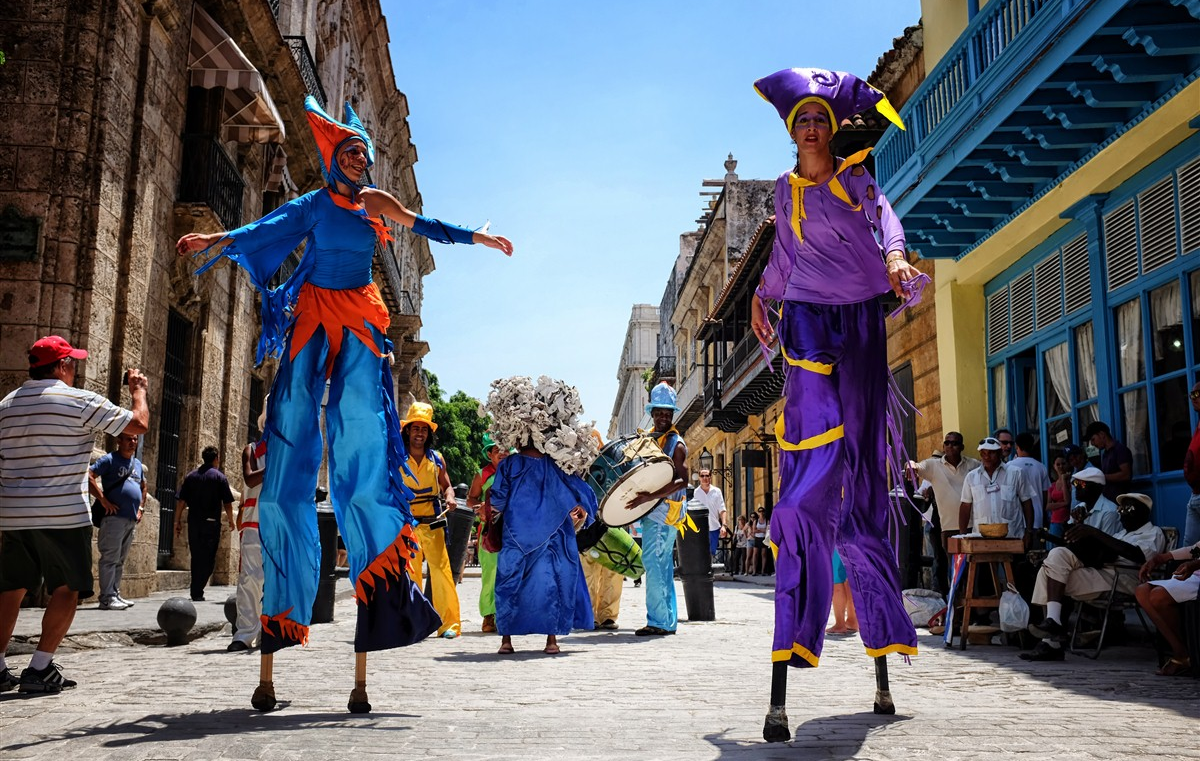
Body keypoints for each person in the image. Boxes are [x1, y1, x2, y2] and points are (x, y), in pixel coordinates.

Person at [175, 97, 509, 659]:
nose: (360, 162)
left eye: (365, 154)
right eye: (352, 152)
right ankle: (284, 596)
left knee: (358, 425)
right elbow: (267, 226)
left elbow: (421, 224)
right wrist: (218, 241)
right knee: (294, 423)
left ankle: (378, 567)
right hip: (312, 311)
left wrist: (475, 237)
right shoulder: (310, 204)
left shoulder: (374, 201)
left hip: (357, 313)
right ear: (335, 159)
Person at [750, 68, 923, 741]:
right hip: (809, 325)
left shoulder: (856, 179)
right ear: (792, 134)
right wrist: (763, 300)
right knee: (802, 495)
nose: (813, 129)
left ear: (832, 127)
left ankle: (880, 658)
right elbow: (783, 257)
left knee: (865, 501)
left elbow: (887, 224)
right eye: (802, 122)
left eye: (820, 119)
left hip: (859, 327)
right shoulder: (784, 191)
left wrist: (899, 261)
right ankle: (788, 647)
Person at [0, 336, 148, 693]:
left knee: (10, 587)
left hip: (13, 513)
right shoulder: (79, 400)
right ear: (63, 366)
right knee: (68, 588)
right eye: (73, 364)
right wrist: (138, 392)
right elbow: (137, 425)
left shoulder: (6, 405)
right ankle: (39, 667)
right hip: (63, 512)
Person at [481, 375, 599, 654]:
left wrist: (491, 517)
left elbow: (497, 499)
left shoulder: (509, 465)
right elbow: (581, 493)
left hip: (516, 537)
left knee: (510, 584)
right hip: (554, 539)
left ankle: (507, 641)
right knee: (553, 584)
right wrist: (584, 512)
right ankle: (551, 641)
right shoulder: (557, 466)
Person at [1021, 493, 1165, 661]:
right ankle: (1053, 623)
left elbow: (1136, 555)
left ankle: (1051, 642)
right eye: (1120, 508)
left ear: (1143, 512)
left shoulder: (1153, 533)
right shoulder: (1121, 534)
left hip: (1126, 579)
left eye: (1127, 508)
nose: (1121, 513)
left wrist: (1095, 533)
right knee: (1054, 560)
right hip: (1104, 574)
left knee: (1051, 573)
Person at [624, 382, 690, 636]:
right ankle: (665, 619)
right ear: (652, 413)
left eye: (667, 413)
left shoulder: (677, 444)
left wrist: (648, 497)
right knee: (659, 564)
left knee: (654, 563)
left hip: (665, 512)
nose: (663, 417)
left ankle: (659, 621)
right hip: (654, 511)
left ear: (672, 415)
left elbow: (682, 481)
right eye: (659, 412)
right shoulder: (652, 440)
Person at [400, 402, 462, 639]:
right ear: (408, 431)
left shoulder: (437, 459)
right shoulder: (397, 458)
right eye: (416, 428)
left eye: (424, 430)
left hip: (433, 521)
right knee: (411, 574)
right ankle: (414, 625)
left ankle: (449, 625)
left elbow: (447, 487)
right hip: (408, 525)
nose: (419, 434)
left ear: (429, 434)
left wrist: (450, 498)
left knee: (441, 572)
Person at [907, 431, 979, 595]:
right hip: (948, 528)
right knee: (951, 568)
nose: (950, 446)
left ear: (962, 447)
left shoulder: (973, 465)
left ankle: (971, 609)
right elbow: (918, 467)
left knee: (972, 570)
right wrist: (911, 464)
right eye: (947, 443)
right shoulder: (934, 466)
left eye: (954, 443)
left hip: (972, 526)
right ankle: (953, 606)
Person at [88, 431, 147, 610]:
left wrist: (141, 508)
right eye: (129, 439)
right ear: (119, 441)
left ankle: (115, 593)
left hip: (130, 519)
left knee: (120, 560)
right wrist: (103, 500)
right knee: (110, 558)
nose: (133, 442)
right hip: (113, 519)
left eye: (135, 439)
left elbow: (143, 486)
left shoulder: (136, 464)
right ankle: (106, 597)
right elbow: (89, 476)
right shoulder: (110, 459)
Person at [175, 446, 236, 602]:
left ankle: (196, 590)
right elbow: (228, 502)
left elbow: (181, 501)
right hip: (211, 523)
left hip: (194, 523)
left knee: (196, 556)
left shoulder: (191, 476)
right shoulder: (220, 478)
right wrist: (231, 520)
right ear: (216, 458)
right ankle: (197, 588)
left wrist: (177, 520)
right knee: (209, 559)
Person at [1135, 537, 1200, 676]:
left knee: (1158, 596)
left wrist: (1195, 564)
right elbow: (1194, 550)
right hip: (1193, 575)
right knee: (1142, 591)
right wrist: (1158, 559)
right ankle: (1180, 651)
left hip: (1197, 577)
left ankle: (1182, 656)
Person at [229, 413, 267, 652]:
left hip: (278, 525)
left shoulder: (290, 452)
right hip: (254, 524)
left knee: (274, 581)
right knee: (249, 580)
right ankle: (244, 633)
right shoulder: (251, 450)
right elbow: (250, 479)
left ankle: (269, 631)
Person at [958, 437, 1036, 545]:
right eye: (983, 453)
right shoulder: (971, 477)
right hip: (981, 539)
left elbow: (1027, 503)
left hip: (1012, 536)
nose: (987, 457)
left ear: (999, 453)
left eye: (991, 453)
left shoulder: (1016, 473)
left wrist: (1029, 531)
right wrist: (963, 535)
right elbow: (965, 507)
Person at [467, 432, 504, 633]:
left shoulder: (516, 472)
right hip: (489, 531)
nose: (501, 454)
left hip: (513, 530)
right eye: (496, 450)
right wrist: (479, 507)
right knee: (490, 573)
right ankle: (489, 615)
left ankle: (509, 613)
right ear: (489, 454)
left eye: (504, 450)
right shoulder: (483, 475)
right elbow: (470, 499)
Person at [1010, 432, 1052, 532]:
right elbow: (1046, 494)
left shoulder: (1009, 466)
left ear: (1016, 446)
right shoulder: (1041, 467)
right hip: (1037, 519)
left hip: (1015, 520)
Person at [1084, 421, 1133, 502]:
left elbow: (1126, 475)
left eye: (1093, 439)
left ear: (1102, 434)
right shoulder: (1105, 455)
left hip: (1120, 501)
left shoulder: (1120, 450)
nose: (1092, 444)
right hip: (1108, 501)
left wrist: (1101, 476)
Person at [1067, 466, 1121, 536]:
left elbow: (1108, 544)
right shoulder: (1079, 507)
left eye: (1082, 484)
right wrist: (1077, 522)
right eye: (1075, 483)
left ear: (1097, 487)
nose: (1077, 487)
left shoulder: (1109, 511)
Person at [693, 468, 727, 562]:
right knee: (701, 552)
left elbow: (722, 509)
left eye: (707, 475)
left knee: (711, 552)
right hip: (699, 529)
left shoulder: (717, 491)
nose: (705, 478)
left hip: (714, 528)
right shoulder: (695, 493)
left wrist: (724, 525)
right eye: (702, 476)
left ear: (710, 477)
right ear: (699, 478)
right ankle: (703, 573)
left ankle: (707, 571)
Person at [1182, 381, 1200, 547]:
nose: (1193, 398)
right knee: (1190, 547)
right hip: (1194, 494)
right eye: (1191, 395)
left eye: (1197, 394)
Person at [826, 551, 858, 635]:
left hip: (835, 540)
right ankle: (852, 620)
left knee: (836, 577)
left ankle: (840, 624)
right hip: (849, 540)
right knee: (848, 576)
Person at [1045, 454, 1072, 544]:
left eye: (1063, 464)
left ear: (1067, 464)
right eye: (1058, 464)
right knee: (1055, 549)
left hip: (1068, 520)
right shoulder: (1052, 485)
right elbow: (1047, 506)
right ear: (1054, 466)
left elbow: (1067, 499)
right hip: (1055, 521)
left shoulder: (1072, 482)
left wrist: (1064, 480)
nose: (1061, 466)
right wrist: (1064, 503)